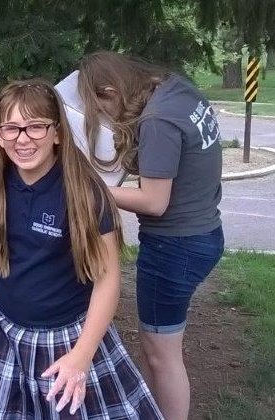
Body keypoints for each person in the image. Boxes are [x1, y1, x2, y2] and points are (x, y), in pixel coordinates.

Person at [0, 79, 162, 419]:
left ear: (57, 133)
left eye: (35, 127)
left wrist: (83, 355)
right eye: (11, 129)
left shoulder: (85, 193)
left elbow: (108, 280)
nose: (23, 139)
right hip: (5, 330)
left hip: (68, 338)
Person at [77, 51, 225, 420]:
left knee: (161, 355)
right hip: (204, 232)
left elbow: (154, 201)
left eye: (100, 107)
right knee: (157, 349)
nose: (105, 117)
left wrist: (87, 187)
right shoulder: (177, 90)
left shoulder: (157, 120)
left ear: (112, 91)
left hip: (175, 247)